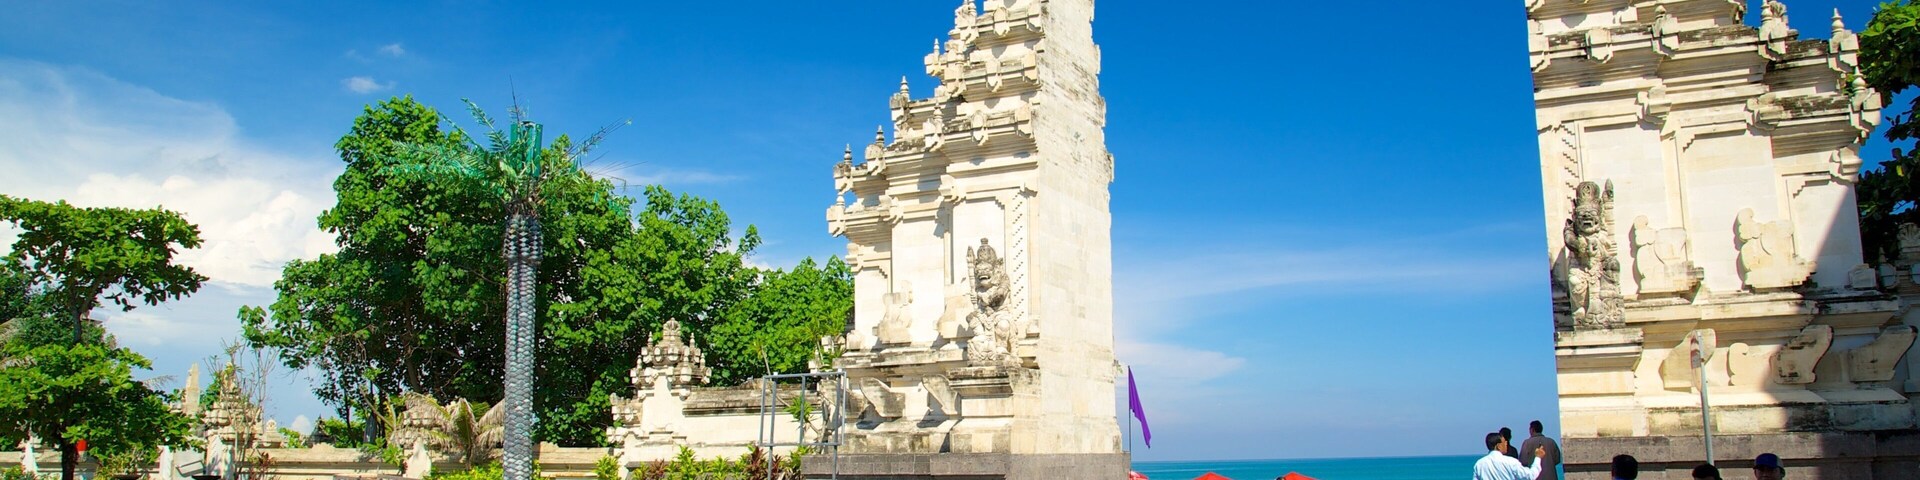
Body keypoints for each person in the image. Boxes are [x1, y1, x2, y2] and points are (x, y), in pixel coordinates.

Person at [1475, 431, 1549, 480]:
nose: (1506, 443)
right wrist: (1538, 457)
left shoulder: (1479, 464)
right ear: (1498, 446)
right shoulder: (1510, 462)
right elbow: (1530, 475)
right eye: (1504, 442)